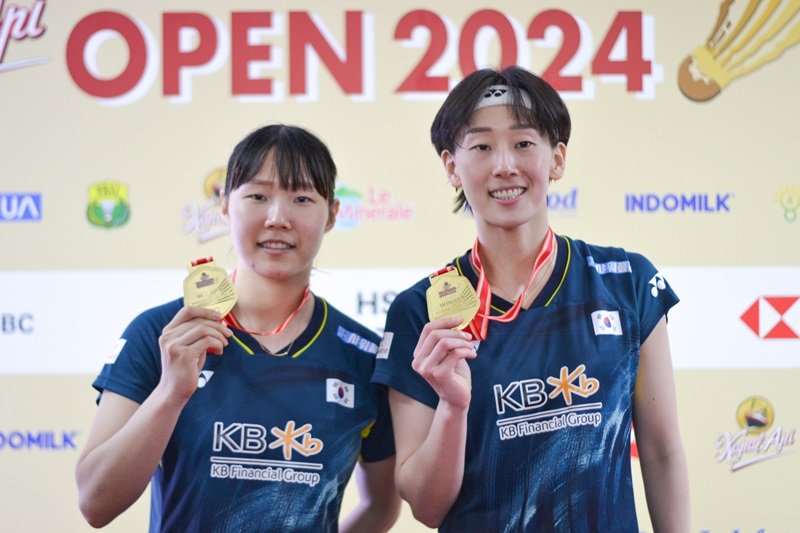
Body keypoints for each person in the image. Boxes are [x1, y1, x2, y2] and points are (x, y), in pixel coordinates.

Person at [372, 66, 690, 532]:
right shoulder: (422, 310)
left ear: (557, 159)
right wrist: (453, 407)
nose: (504, 165)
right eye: (481, 147)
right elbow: (426, 507)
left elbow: (661, 451)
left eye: (523, 143)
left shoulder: (627, 282)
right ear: (451, 167)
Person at [76, 124, 401, 532]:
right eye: (258, 196)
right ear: (226, 206)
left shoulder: (363, 356)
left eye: (302, 198)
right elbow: (96, 503)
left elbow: (381, 507)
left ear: (333, 214)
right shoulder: (163, 334)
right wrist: (171, 392)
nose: (278, 218)